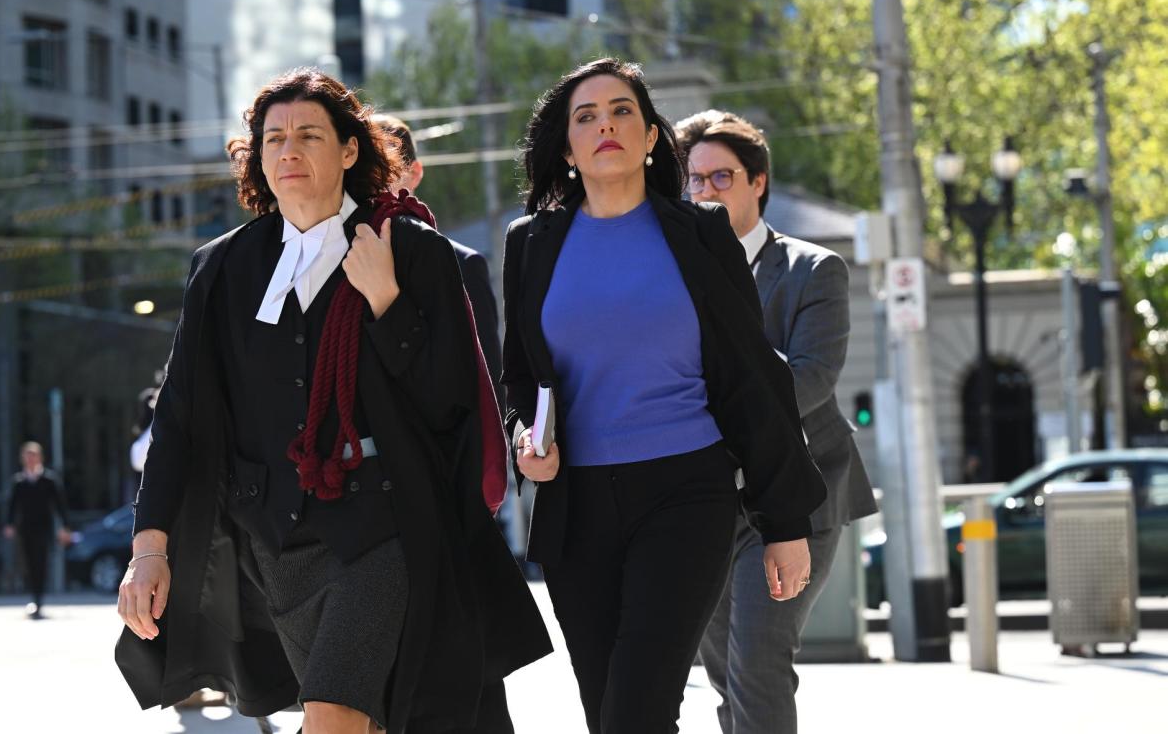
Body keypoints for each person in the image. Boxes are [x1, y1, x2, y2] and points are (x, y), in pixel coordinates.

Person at [115, 67, 550, 734]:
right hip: (273, 542)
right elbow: (181, 420)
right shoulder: (223, 266)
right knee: (366, 721)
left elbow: (453, 407)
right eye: (273, 138)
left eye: (309, 135)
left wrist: (387, 304)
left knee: (332, 715)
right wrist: (150, 549)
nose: (288, 151)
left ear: (350, 150)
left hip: (383, 528)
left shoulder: (412, 252)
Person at [501, 58, 826, 734]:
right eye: (585, 118)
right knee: (609, 712)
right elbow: (521, 379)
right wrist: (523, 441)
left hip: (686, 495)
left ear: (652, 137)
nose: (606, 126)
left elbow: (751, 378)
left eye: (622, 111)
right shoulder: (530, 244)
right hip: (575, 506)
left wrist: (784, 522)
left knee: (637, 710)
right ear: (566, 149)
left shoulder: (701, 233)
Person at [677, 109, 878, 734]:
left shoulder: (814, 271)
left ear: (757, 182)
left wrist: (711, 397)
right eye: (695, 181)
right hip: (706, 500)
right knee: (724, 674)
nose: (706, 192)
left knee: (758, 663)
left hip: (796, 496)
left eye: (721, 178)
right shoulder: (676, 276)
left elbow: (813, 379)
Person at [371, 114, 503, 401]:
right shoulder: (333, 264)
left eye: (387, 168)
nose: (373, 183)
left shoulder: (463, 265)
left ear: (415, 173)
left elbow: (489, 386)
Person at [2, 441, 71, 619]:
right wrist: (9, 525)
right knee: (28, 564)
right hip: (25, 529)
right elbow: (12, 505)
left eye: (33, 455)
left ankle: (38, 600)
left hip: (44, 529)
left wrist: (65, 527)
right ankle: (34, 598)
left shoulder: (49, 480)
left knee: (41, 562)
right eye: (27, 455)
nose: (30, 459)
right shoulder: (19, 482)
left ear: (40, 458)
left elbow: (60, 505)